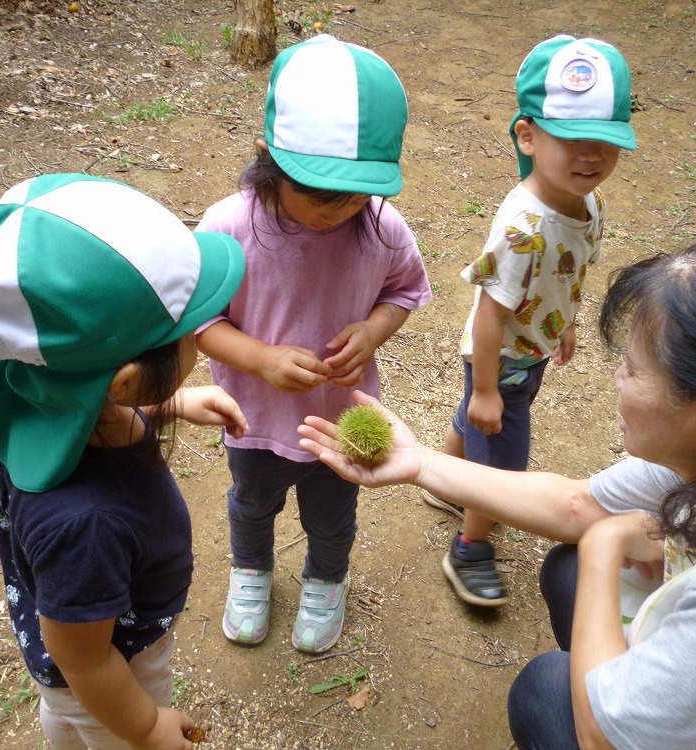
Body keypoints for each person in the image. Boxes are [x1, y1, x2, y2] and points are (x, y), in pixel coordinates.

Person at [298, 235, 696, 749]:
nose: (617, 378)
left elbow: (603, 739)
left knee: (547, 689)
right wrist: (418, 462)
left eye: (634, 369)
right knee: (568, 566)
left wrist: (606, 545)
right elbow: (578, 506)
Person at [0, 174, 248, 750]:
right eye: (187, 332)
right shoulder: (89, 524)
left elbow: (85, 405)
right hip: (112, 668)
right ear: (124, 382)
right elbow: (82, 659)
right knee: (94, 719)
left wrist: (168, 404)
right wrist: (147, 729)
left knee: (65, 714)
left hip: (74, 655)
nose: (198, 339)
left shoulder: (31, 404)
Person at [194, 34, 432, 654]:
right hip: (255, 417)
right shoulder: (225, 228)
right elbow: (201, 322)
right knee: (251, 502)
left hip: (340, 418)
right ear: (266, 156)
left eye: (355, 195)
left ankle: (326, 579)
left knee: (332, 516)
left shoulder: (381, 226)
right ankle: (251, 573)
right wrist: (262, 359)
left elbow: (405, 291)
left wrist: (373, 329)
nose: (339, 210)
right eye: (319, 193)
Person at [421, 34, 637, 608]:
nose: (591, 157)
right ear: (528, 136)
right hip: (501, 355)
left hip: (532, 346)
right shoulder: (523, 227)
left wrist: (563, 323)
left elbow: (567, 274)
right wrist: (487, 388)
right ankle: (469, 546)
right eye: (572, 139)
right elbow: (489, 313)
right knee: (505, 458)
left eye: (606, 143)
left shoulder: (588, 203)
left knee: (480, 423)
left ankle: (446, 479)